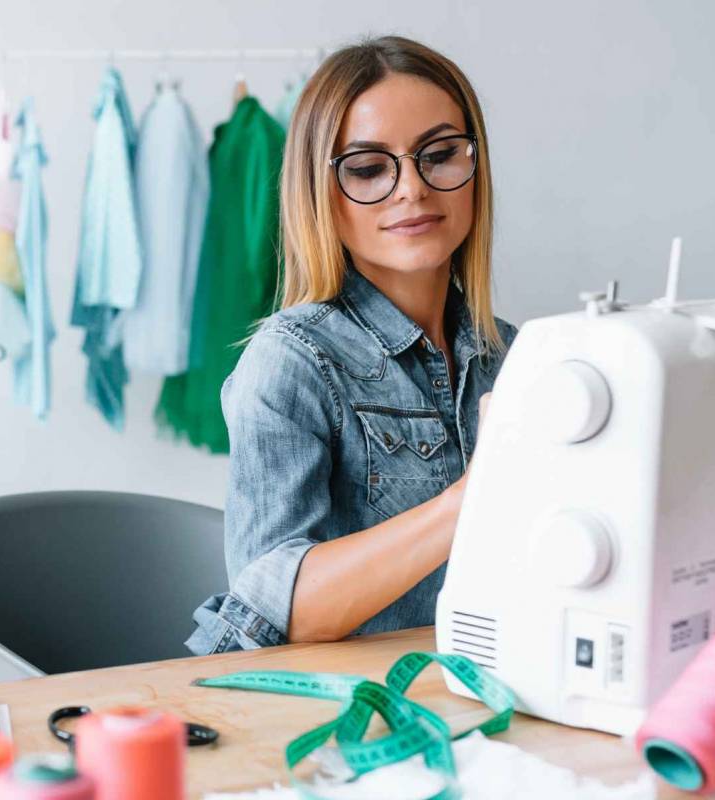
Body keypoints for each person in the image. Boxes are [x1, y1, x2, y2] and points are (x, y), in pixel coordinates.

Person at [187, 36, 516, 653]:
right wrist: (467, 502)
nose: (412, 188)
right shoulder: (292, 363)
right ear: (322, 194)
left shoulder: (516, 358)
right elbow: (272, 618)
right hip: (349, 717)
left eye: (439, 155)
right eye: (368, 168)